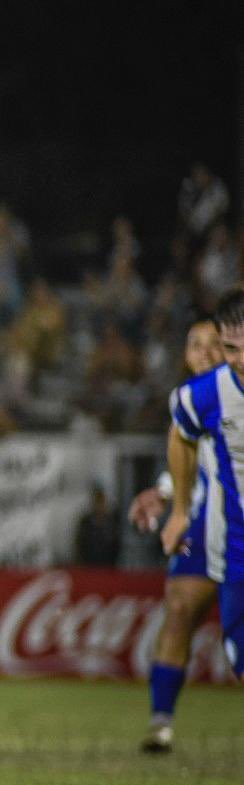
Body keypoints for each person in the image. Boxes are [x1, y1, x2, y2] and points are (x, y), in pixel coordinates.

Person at [127, 316, 222, 752]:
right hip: (205, 523)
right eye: (194, 344)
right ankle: (160, 722)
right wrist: (165, 494)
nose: (204, 352)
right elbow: (192, 457)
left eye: (214, 343)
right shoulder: (189, 399)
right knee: (180, 608)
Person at [162, 293, 244, 709]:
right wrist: (178, 509)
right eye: (231, 348)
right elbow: (181, 437)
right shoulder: (204, 395)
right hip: (234, 547)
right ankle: (160, 720)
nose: (239, 359)